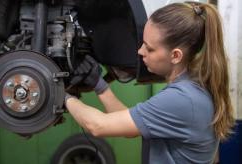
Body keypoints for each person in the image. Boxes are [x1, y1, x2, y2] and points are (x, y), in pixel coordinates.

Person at [64, 2, 235, 164]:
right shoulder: (190, 88)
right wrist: (99, 85)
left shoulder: (182, 99)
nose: (140, 51)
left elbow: (97, 126)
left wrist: (60, 94)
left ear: (175, 56)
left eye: (149, 48)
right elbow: (131, 126)